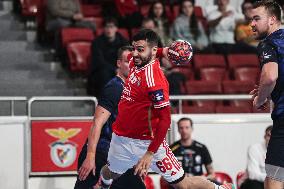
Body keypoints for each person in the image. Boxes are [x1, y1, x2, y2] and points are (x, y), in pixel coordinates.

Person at [99, 29, 234, 189]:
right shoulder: (136, 60)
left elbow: (165, 120)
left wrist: (149, 153)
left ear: (152, 51)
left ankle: (221, 188)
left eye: (140, 50)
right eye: (134, 48)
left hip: (148, 143)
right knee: (111, 173)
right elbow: (139, 53)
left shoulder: (156, 82)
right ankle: (104, 183)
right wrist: (166, 51)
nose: (134, 54)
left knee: (183, 185)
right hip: (121, 138)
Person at [74, 46, 132, 189]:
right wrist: (90, 156)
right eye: (127, 61)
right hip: (100, 154)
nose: (132, 66)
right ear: (119, 63)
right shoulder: (114, 88)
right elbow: (97, 123)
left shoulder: (129, 89)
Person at [249, 1, 284, 189]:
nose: (251, 24)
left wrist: (260, 99)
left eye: (256, 18)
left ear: (272, 20)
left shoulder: (268, 43)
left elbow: (270, 77)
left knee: (273, 181)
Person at [87, 17, 128, 97]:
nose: (109, 29)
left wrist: (120, 69)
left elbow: (126, 58)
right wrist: (114, 70)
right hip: (102, 70)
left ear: (116, 28)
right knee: (104, 73)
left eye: (111, 27)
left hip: (119, 69)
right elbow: (99, 61)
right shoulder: (97, 42)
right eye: (107, 27)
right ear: (103, 29)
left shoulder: (124, 42)